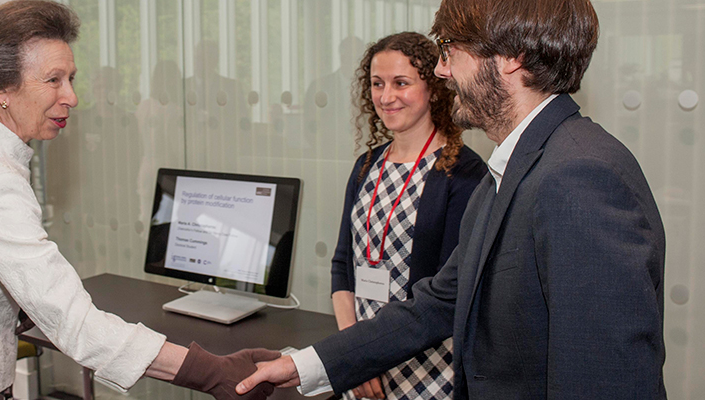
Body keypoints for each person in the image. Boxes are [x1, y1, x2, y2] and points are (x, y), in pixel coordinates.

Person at [236, 0, 667, 398]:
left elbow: (605, 378)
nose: (442, 71)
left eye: (449, 49)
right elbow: (437, 303)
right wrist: (304, 365)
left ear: (511, 55)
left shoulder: (579, 174)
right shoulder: (513, 169)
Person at [0, 2, 277, 399]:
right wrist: (212, 372)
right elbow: (74, 324)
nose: (71, 97)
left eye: (71, 79)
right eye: (53, 80)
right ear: (3, 88)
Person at [330, 32, 486, 400]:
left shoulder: (464, 174)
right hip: (361, 358)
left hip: (429, 366)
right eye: (377, 84)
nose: (386, 97)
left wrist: (368, 355)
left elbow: (448, 297)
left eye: (401, 83)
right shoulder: (366, 165)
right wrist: (352, 353)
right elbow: (343, 266)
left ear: (433, 88)